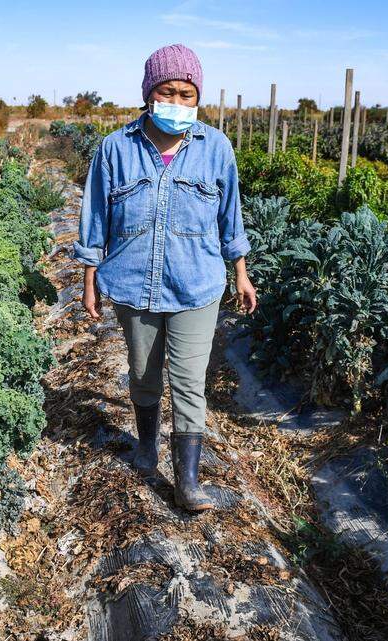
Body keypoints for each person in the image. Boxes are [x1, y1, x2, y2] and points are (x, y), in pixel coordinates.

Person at [73, 43, 257, 512]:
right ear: (148, 92)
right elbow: (95, 218)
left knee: (191, 382)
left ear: (198, 98)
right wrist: (89, 279)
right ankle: (146, 446)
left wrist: (241, 271)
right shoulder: (116, 149)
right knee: (142, 375)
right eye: (167, 91)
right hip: (134, 286)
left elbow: (229, 216)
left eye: (187, 94)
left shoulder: (216, 148)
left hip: (197, 285)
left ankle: (189, 482)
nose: (177, 102)